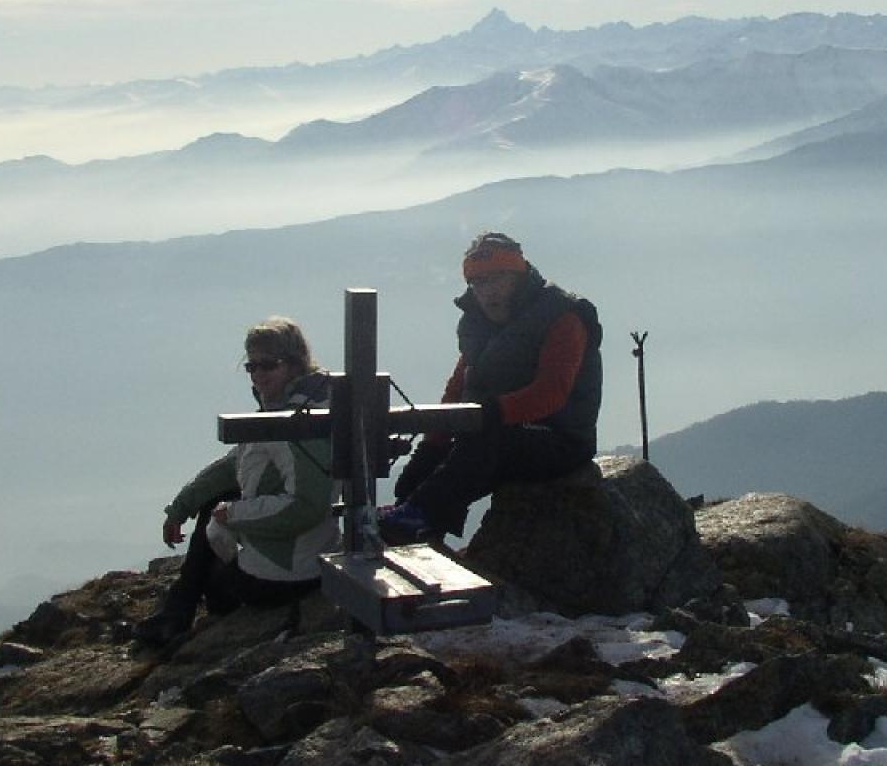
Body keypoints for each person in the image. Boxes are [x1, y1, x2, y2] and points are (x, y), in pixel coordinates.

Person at [379, 232, 603, 544]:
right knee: (416, 477)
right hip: (499, 430)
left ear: (519, 276)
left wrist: (488, 415)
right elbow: (459, 388)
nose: (487, 290)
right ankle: (418, 526)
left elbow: (552, 392)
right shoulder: (478, 325)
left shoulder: (563, 315)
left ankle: (418, 517)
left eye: (498, 278)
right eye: (479, 282)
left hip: (561, 438)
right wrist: (433, 443)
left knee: (484, 446)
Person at [129, 317, 339, 647]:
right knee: (216, 509)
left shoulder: (295, 422)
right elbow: (235, 466)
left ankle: (179, 619)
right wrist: (181, 507)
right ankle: (176, 615)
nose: (258, 374)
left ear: (294, 364)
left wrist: (235, 515)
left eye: (268, 364)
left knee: (216, 584)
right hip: (299, 557)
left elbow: (307, 505)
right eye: (251, 366)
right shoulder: (288, 409)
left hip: (289, 573)